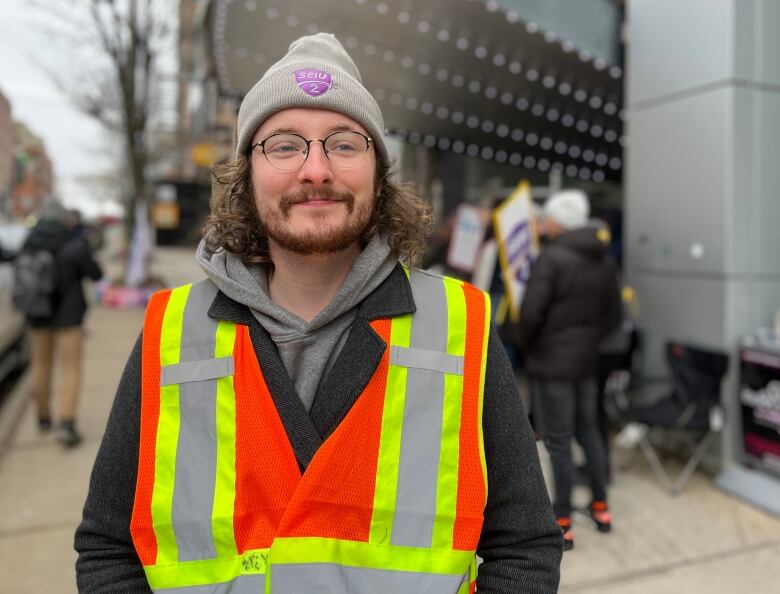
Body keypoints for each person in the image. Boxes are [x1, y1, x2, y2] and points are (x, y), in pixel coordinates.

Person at [75, 33, 562, 592]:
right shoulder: (171, 333)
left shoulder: (463, 327)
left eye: (344, 144)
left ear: (378, 176)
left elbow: (523, 546)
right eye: (284, 145)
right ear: (245, 176)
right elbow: (109, 549)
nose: (315, 170)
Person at [517, 189, 621, 551]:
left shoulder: (552, 258)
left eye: (546, 218)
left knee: (558, 441)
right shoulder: (602, 259)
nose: (542, 224)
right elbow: (613, 317)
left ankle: (561, 521)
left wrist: (528, 344)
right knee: (590, 432)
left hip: (552, 363)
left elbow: (530, 315)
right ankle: (601, 507)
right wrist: (587, 340)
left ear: (558, 222)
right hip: (587, 361)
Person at [18, 200, 103, 447]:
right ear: (65, 220)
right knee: (70, 368)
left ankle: (43, 417)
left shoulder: (29, 243)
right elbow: (97, 274)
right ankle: (66, 423)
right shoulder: (74, 244)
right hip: (69, 318)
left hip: (37, 316)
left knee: (40, 365)